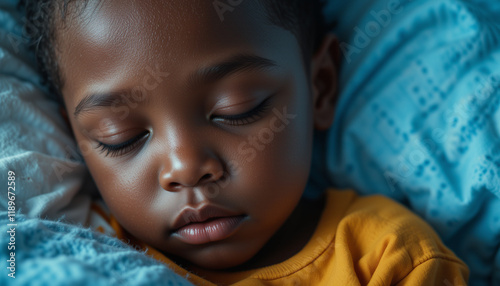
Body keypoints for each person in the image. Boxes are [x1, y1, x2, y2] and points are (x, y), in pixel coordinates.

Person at [22, 0, 469, 284]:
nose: (185, 166)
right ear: (76, 139)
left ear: (321, 86)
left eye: (239, 108)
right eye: (120, 137)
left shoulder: (389, 258)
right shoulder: (80, 246)